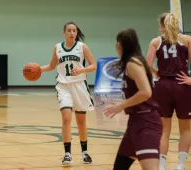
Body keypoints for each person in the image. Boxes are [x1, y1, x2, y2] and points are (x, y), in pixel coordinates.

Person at [104, 28, 162, 170]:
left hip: (146, 123)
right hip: (135, 122)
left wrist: (121, 105)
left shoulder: (132, 63)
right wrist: (122, 104)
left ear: (119, 45)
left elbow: (146, 92)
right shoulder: (133, 62)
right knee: (120, 167)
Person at [40, 21, 96, 165]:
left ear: (76, 33)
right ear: (64, 33)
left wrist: (82, 70)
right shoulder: (57, 48)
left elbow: (93, 65)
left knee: (81, 122)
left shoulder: (82, 47)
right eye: (69, 30)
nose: (72, 33)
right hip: (63, 85)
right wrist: (39, 69)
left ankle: (84, 152)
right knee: (66, 118)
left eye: (74, 31)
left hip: (79, 86)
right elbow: (52, 66)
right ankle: (67, 154)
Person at [146, 13, 191, 170]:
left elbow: (147, 65)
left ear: (161, 25)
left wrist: (156, 73)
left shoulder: (156, 42)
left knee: (164, 130)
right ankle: (180, 165)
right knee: (185, 129)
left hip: (163, 86)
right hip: (182, 86)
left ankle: (162, 166)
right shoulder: (186, 40)